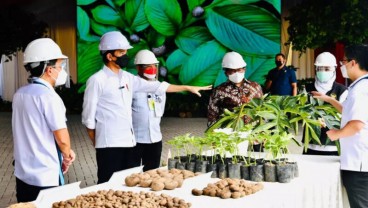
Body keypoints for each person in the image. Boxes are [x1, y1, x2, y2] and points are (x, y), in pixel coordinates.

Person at [82, 31, 211, 183]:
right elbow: (88, 118)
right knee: (106, 184)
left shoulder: (127, 77)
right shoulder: (97, 80)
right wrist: (97, 143)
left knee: (125, 183)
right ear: (109, 56)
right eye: (121, 52)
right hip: (108, 144)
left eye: (126, 51)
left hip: (128, 143)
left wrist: (187, 87)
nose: (125, 55)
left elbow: (158, 86)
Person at [12, 38, 76, 202]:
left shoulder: (20, 93)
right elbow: (62, 140)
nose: (62, 70)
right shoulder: (49, 97)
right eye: (60, 66)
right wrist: (67, 154)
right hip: (45, 177)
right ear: (49, 69)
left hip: (23, 173)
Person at [312, 44, 368, 208]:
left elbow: (357, 124)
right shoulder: (359, 86)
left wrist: (335, 134)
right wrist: (329, 99)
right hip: (356, 161)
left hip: (359, 164)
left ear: (353, 63)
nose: (342, 65)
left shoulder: (361, 90)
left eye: (343, 61)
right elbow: (349, 111)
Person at [303, 52, 348, 156]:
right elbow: (301, 111)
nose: (323, 71)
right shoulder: (307, 89)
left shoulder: (342, 90)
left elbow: (345, 114)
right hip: (310, 143)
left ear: (334, 69)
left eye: (327, 69)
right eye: (319, 68)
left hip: (332, 145)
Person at [129, 49, 166, 172]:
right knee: (131, 174)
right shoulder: (132, 86)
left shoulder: (160, 87)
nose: (152, 69)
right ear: (138, 68)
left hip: (155, 140)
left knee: (152, 174)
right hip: (135, 141)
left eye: (154, 66)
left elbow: (160, 110)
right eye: (147, 66)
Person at [207, 51, 263, 127]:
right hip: (230, 132)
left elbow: (262, 110)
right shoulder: (219, 91)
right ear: (226, 72)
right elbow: (212, 115)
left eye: (239, 70)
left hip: (252, 133)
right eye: (232, 71)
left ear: (244, 69)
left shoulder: (255, 87)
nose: (236, 73)